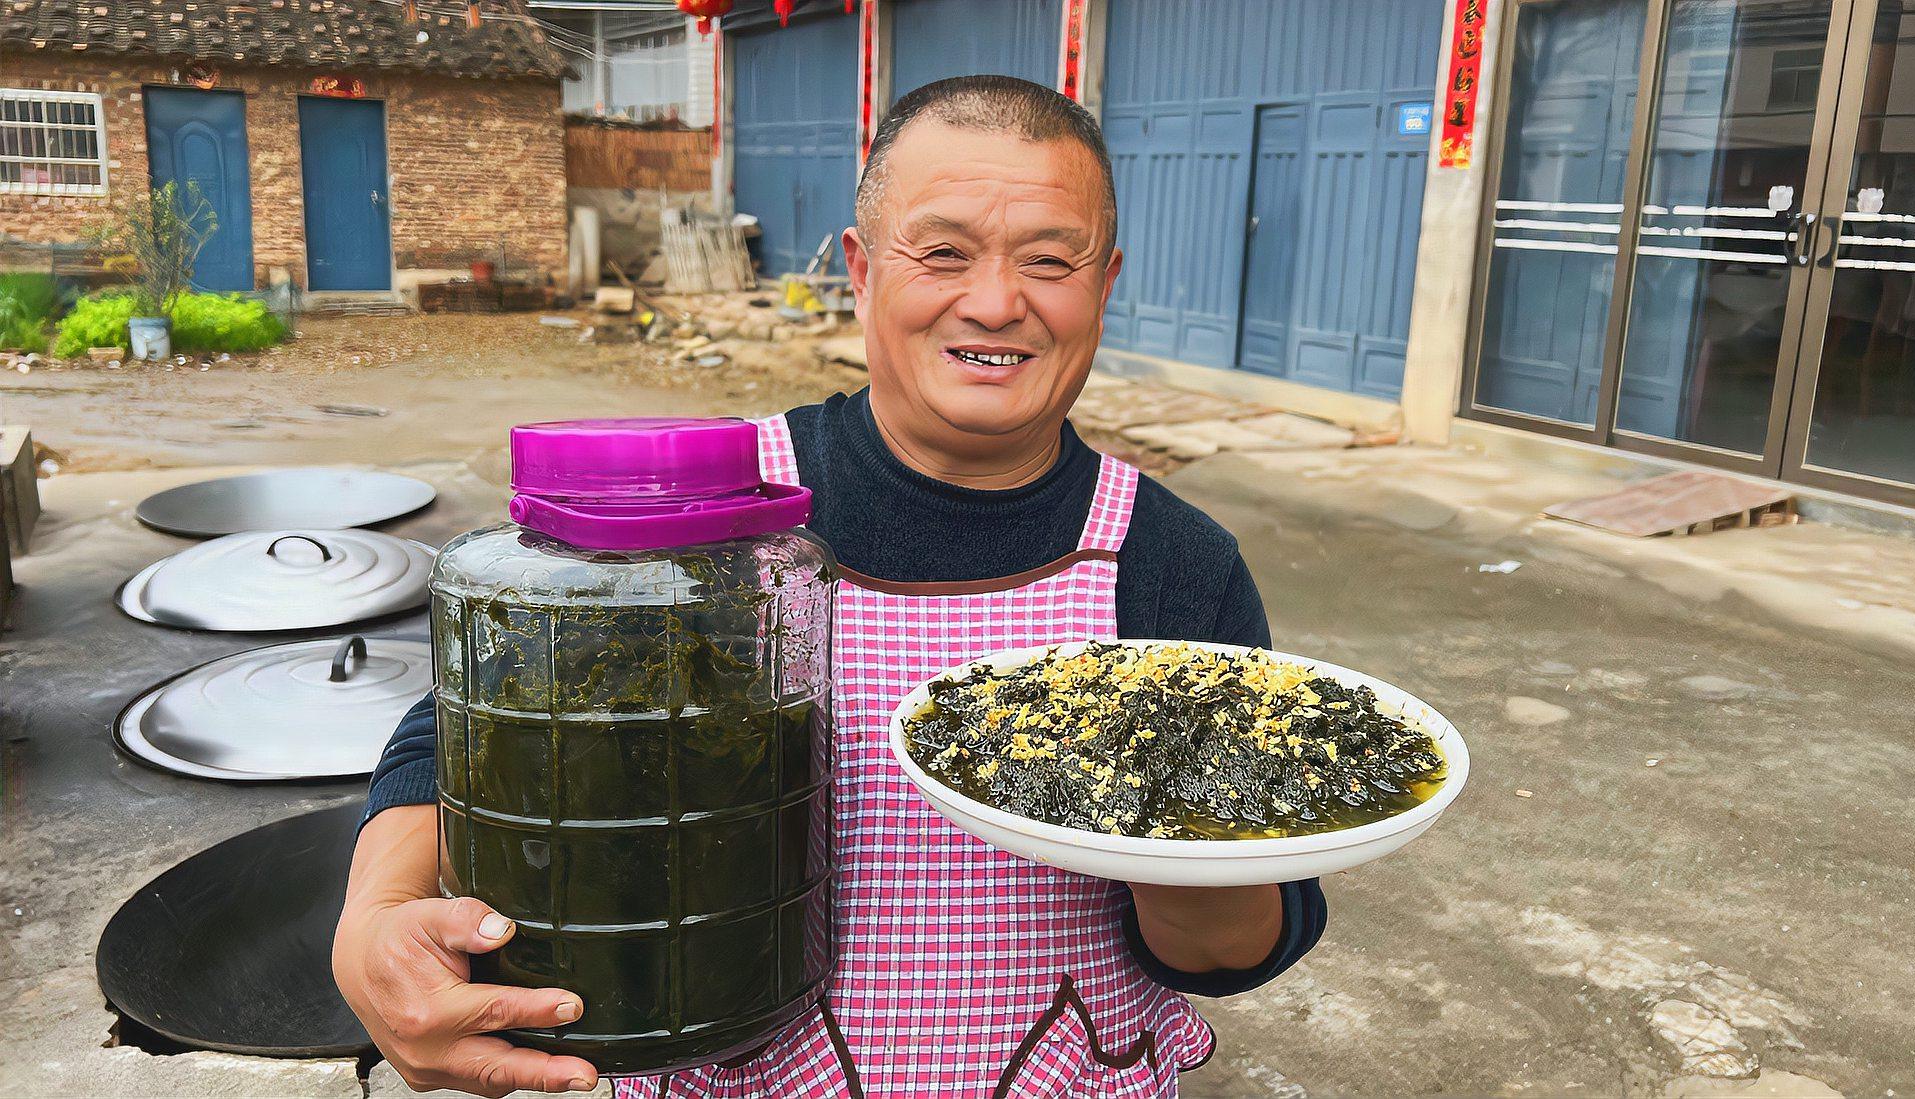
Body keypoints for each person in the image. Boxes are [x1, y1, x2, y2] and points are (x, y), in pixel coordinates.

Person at [334, 75, 1326, 1098]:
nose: (993, 301)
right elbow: (465, 731)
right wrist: (374, 920)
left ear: (1104, 283)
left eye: (1048, 260)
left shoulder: (1172, 562)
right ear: (857, 268)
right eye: (941, 252)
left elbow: (1246, 930)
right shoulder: (707, 510)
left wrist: (1189, 859)